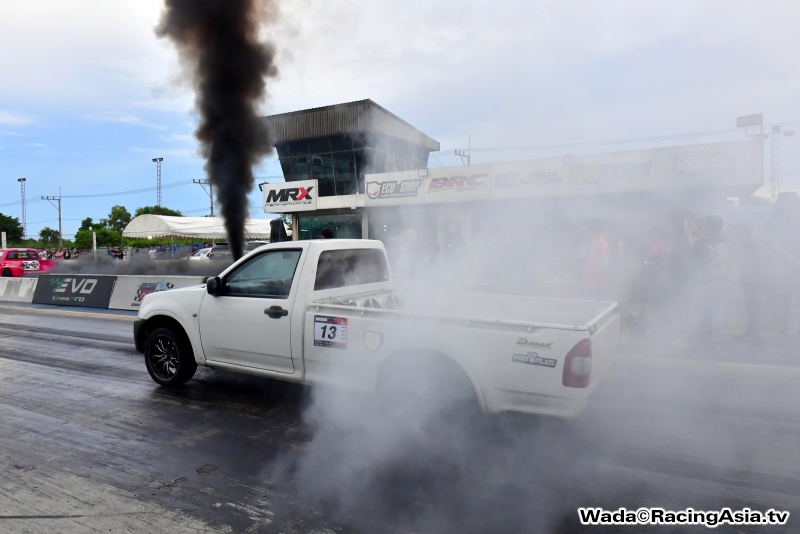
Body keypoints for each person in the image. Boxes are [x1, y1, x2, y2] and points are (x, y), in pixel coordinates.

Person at [673, 215, 731, 350]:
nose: (702, 227)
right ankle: (715, 341)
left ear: (710, 226)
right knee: (719, 312)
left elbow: (695, 254)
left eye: (704, 225)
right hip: (724, 281)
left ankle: (690, 339)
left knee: (696, 311)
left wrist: (689, 236)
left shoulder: (702, 242)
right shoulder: (727, 242)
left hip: (707, 282)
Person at [733, 223, 760, 339]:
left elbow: (753, 264)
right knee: (750, 305)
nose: (736, 234)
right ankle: (751, 330)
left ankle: (754, 332)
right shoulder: (746, 246)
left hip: (751, 280)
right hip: (747, 280)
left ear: (743, 233)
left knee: (752, 305)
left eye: (738, 232)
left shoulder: (751, 246)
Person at [584, 218, 610, 300]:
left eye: (587, 228)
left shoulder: (601, 244)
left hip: (597, 285)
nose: (586, 230)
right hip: (592, 283)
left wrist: (595, 275)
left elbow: (604, 265)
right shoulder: (596, 242)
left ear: (593, 229)